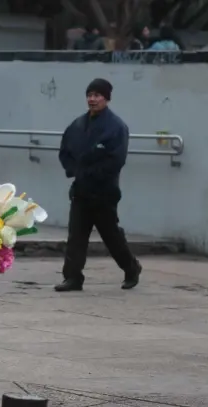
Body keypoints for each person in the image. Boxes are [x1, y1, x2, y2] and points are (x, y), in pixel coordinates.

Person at [57, 78, 142, 292]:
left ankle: (131, 268)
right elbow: (65, 151)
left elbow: (116, 160)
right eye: (90, 95)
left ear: (106, 98)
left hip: (104, 193)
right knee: (76, 236)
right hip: (80, 191)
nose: (92, 99)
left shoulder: (116, 127)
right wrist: (75, 171)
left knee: (111, 236)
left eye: (97, 95)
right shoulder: (77, 125)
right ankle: (73, 277)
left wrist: (92, 174)